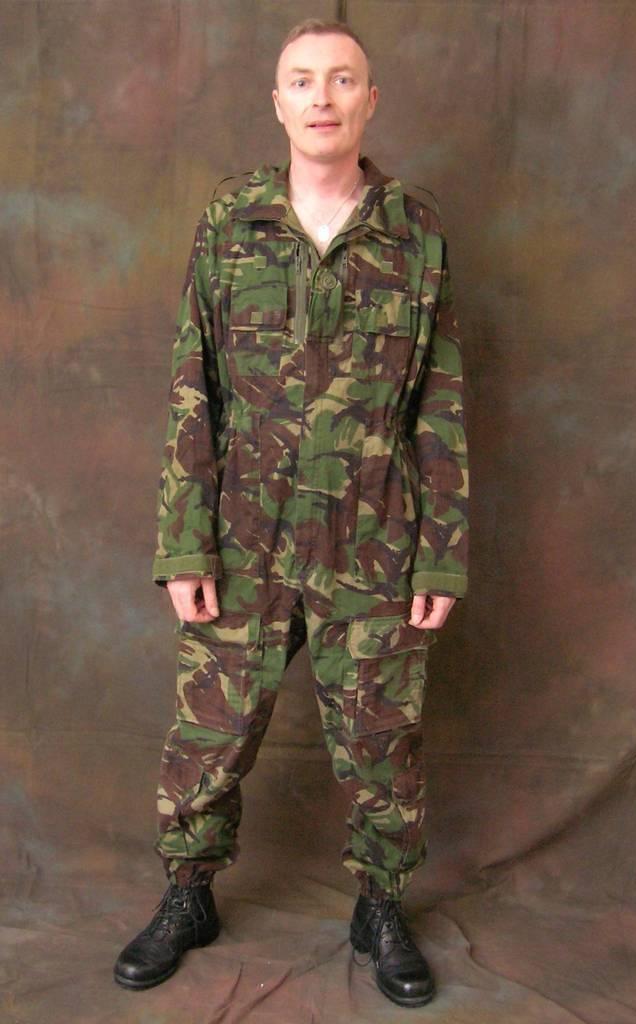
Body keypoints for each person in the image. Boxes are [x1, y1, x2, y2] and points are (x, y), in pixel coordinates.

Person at [113, 17, 468, 1009]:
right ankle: (188, 894)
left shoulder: (415, 231)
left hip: (376, 537)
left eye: (342, 79)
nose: (321, 96)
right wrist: (184, 543)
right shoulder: (231, 222)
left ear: (369, 100)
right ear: (276, 103)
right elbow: (192, 386)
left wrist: (441, 556)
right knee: (210, 736)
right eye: (302, 80)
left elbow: (439, 401)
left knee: (382, 743)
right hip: (244, 536)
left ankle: (380, 907)